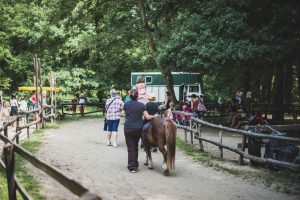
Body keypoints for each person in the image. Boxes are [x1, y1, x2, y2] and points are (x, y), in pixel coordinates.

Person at [123, 89, 155, 173]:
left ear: (130, 96)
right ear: (137, 96)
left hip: (128, 128)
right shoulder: (141, 105)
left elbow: (122, 114)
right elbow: (147, 117)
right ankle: (135, 165)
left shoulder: (126, 104)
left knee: (130, 148)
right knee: (135, 146)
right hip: (138, 128)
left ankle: (132, 167)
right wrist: (155, 116)